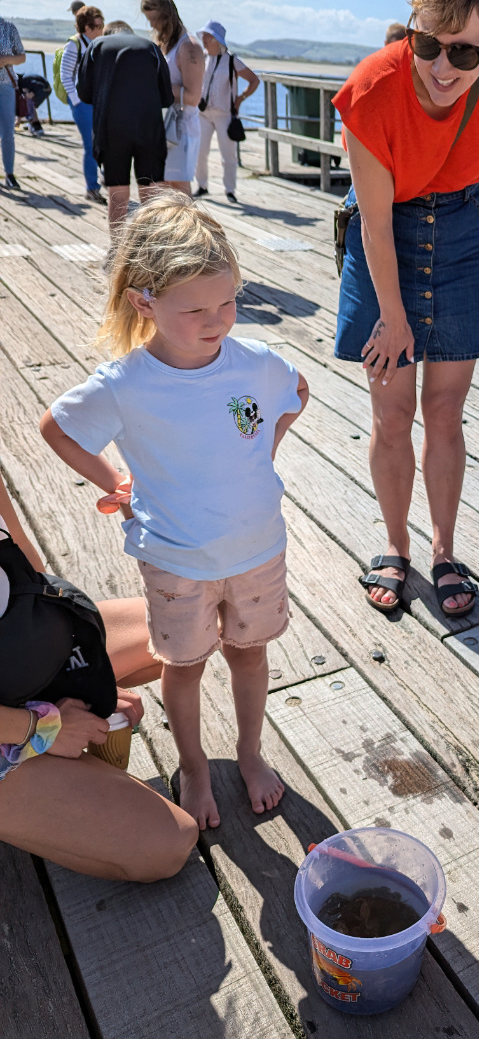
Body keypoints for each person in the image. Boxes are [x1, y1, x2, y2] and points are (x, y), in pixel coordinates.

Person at [40, 193, 310, 830]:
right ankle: (192, 765)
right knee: (183, 668)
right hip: (175, 561)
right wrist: (116, 480)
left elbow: (296, 392)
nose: (216, 319)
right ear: (145, 303)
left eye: (227, 302)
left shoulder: (257, 365)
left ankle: (249, 753)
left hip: (258, 551)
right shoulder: (125, 383)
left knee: (250, 654)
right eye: (194, 309)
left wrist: (264, 450)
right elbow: (56, 427)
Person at [332, 0, 479, 617]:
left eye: (464, 51)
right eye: (426, 44)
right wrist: (390, 314)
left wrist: (470, 197)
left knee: (444, 412)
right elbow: (375, 220)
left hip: (458, 229)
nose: (442, 67)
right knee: (391, 415)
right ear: (411, 25)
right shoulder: (370, 89)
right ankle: (396, 546)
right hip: (384, 233)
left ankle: (445, 550)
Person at [0, 468, 198, 882]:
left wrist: (74, 677)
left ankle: (70, 789)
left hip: (14, 661)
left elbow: (24, 566)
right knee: (168, 844)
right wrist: (43, 727)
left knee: (185, 631)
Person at [76, 20, 173, 228]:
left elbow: (83, 92)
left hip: (112, 130)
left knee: (118, 195)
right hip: (148, 129)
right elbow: (167, 98)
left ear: (108, 34)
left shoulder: (96, 46)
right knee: (150, 194)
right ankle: (149, 249)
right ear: (131, 32)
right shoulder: (152, 48)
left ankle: (118, 252)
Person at [140, 0, 204, 195]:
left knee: (178, 187)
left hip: (181, 128)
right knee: (160, 186)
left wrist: (157, 83)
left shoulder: (189, 47)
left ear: (166, 16)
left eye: (154, 19)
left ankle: (186, 227)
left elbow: (194, 97)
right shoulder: (163, 42)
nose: (152, 25)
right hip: (162, 125)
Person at [194, 20, 259, 204]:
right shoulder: (204, 58)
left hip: (225, 114)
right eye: (204, 36)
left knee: (228, 154)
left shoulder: (232, 60)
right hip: (204, 113)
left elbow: (254, 80)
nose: (204, 40)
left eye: (208, 36)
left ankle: (230, 190)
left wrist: (240, 99)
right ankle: (202, 185)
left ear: (217, 39)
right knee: (200, 151)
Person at [59, 4, 107, 204]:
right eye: (98, 25)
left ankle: (102, 179)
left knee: (102, 142)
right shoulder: (74, 45)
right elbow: (65, 76)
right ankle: (92, 188)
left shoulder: (97, 43)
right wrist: (77, 102)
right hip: (83, 104)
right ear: (87, 28)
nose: (101, 29)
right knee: (90, 144)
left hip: (97, 102)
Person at [0, 13, 26, 191]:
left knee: (8, 132)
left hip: (6, 86)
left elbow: (21, 56)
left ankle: (9, 174)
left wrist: (5, 60)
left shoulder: (8, 28)